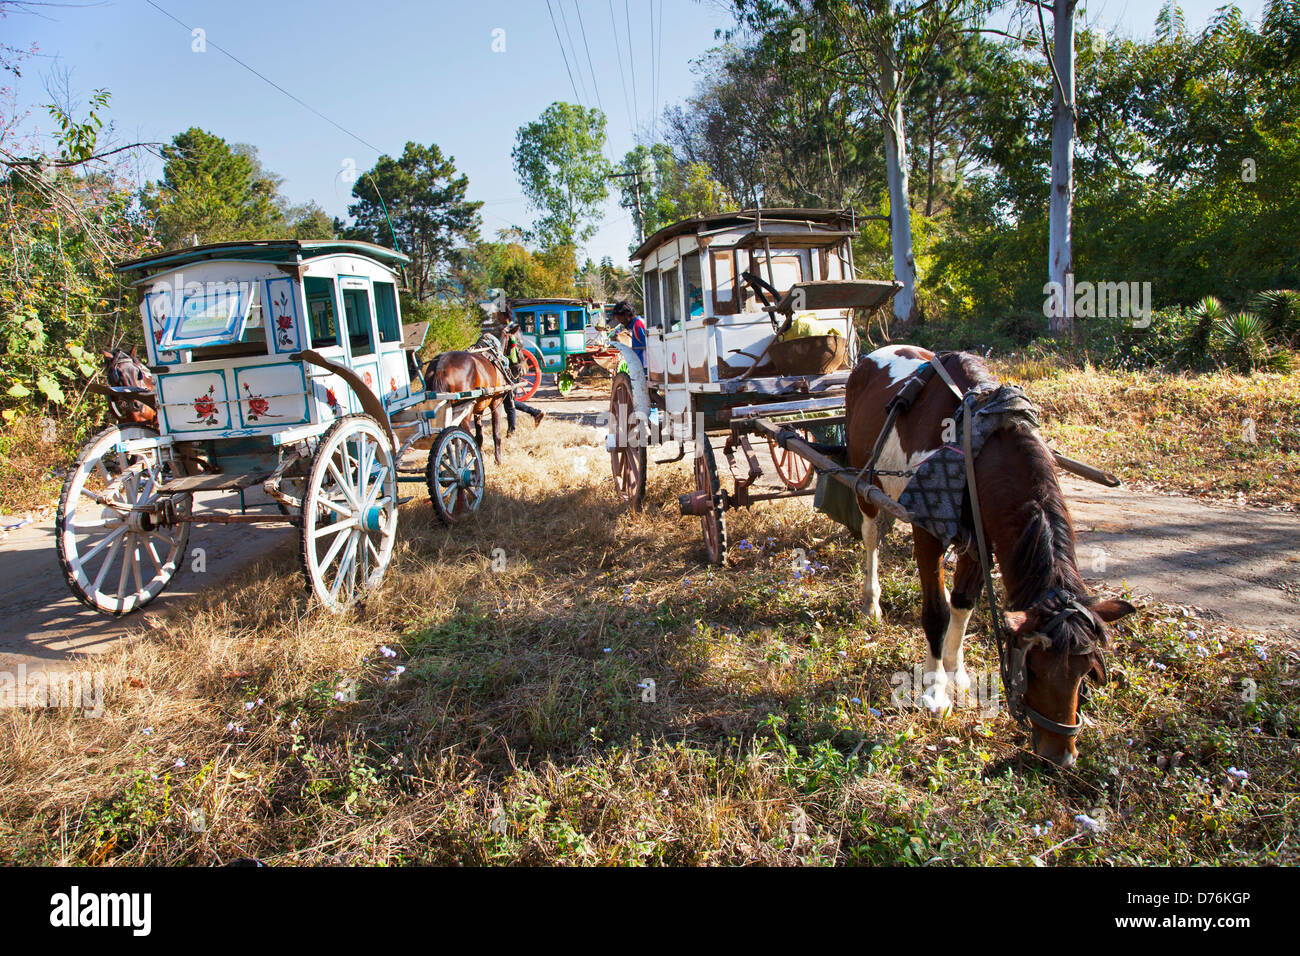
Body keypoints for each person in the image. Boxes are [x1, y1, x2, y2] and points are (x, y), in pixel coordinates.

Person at [499, 315, 544, 431]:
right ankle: (534, 413)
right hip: (515, 370)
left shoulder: (509, 334)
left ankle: (513, 430)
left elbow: (511, 356)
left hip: (513, 371)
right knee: (510, 402)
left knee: (510, 402)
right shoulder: (514, 332)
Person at [611, 300, 645, 368]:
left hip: (644, 367)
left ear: (626, 314)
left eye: (619, 318)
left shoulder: (638, 325)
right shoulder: (635, 326)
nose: (620, 322)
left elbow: (649, 348)